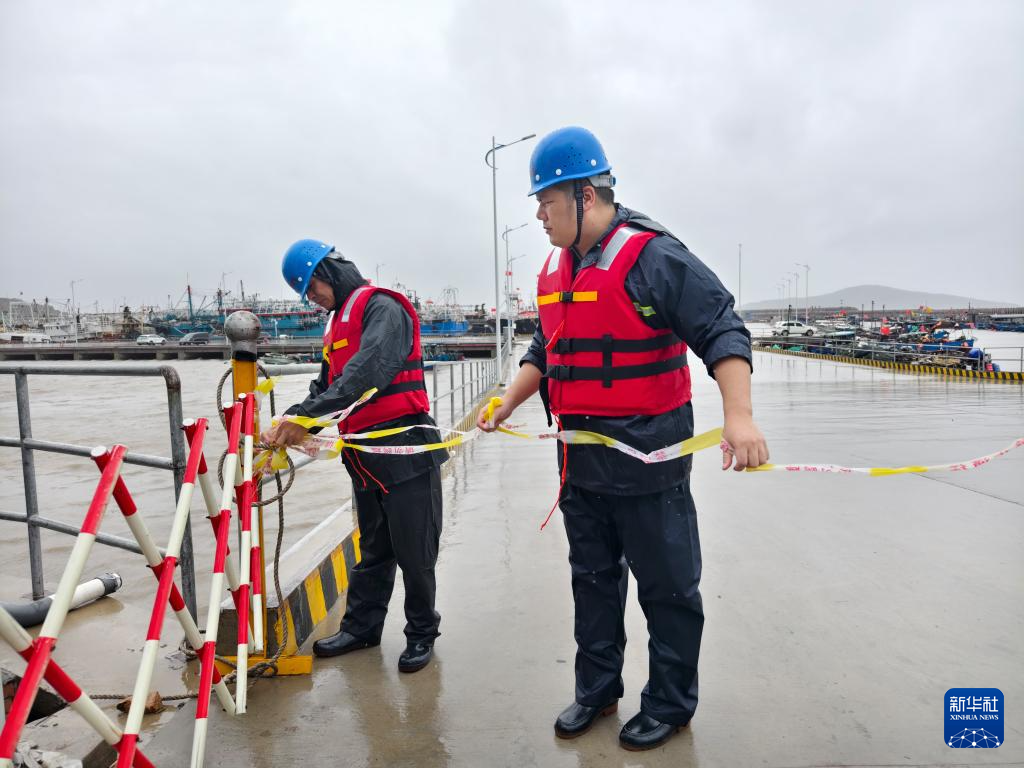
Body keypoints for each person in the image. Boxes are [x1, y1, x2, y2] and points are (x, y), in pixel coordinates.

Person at [477, 127, 769, 751]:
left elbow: (722, 329)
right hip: (579, 463)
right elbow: (546, 349)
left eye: (546, 202)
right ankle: (597, 690)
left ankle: (669, 703)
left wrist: (739, 415)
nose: (538, 214)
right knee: (593, 581)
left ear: (585, 196)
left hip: (648, 460)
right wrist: (506, 401)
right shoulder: (557, 269)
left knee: (667, 587)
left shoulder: (653, 257)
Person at [261, 240, 447, 673]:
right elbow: (327, 383)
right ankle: (362, 627)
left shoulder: (383, 308)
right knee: (373, 549)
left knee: (416, 554)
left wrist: (308, 417)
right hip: (365, 459)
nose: (313, 298)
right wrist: (294, 417)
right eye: (306, 293)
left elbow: (370, 370)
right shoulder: (335, 325)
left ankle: (421, 634)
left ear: (330, 270)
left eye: (313, 287)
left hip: (406, 452)